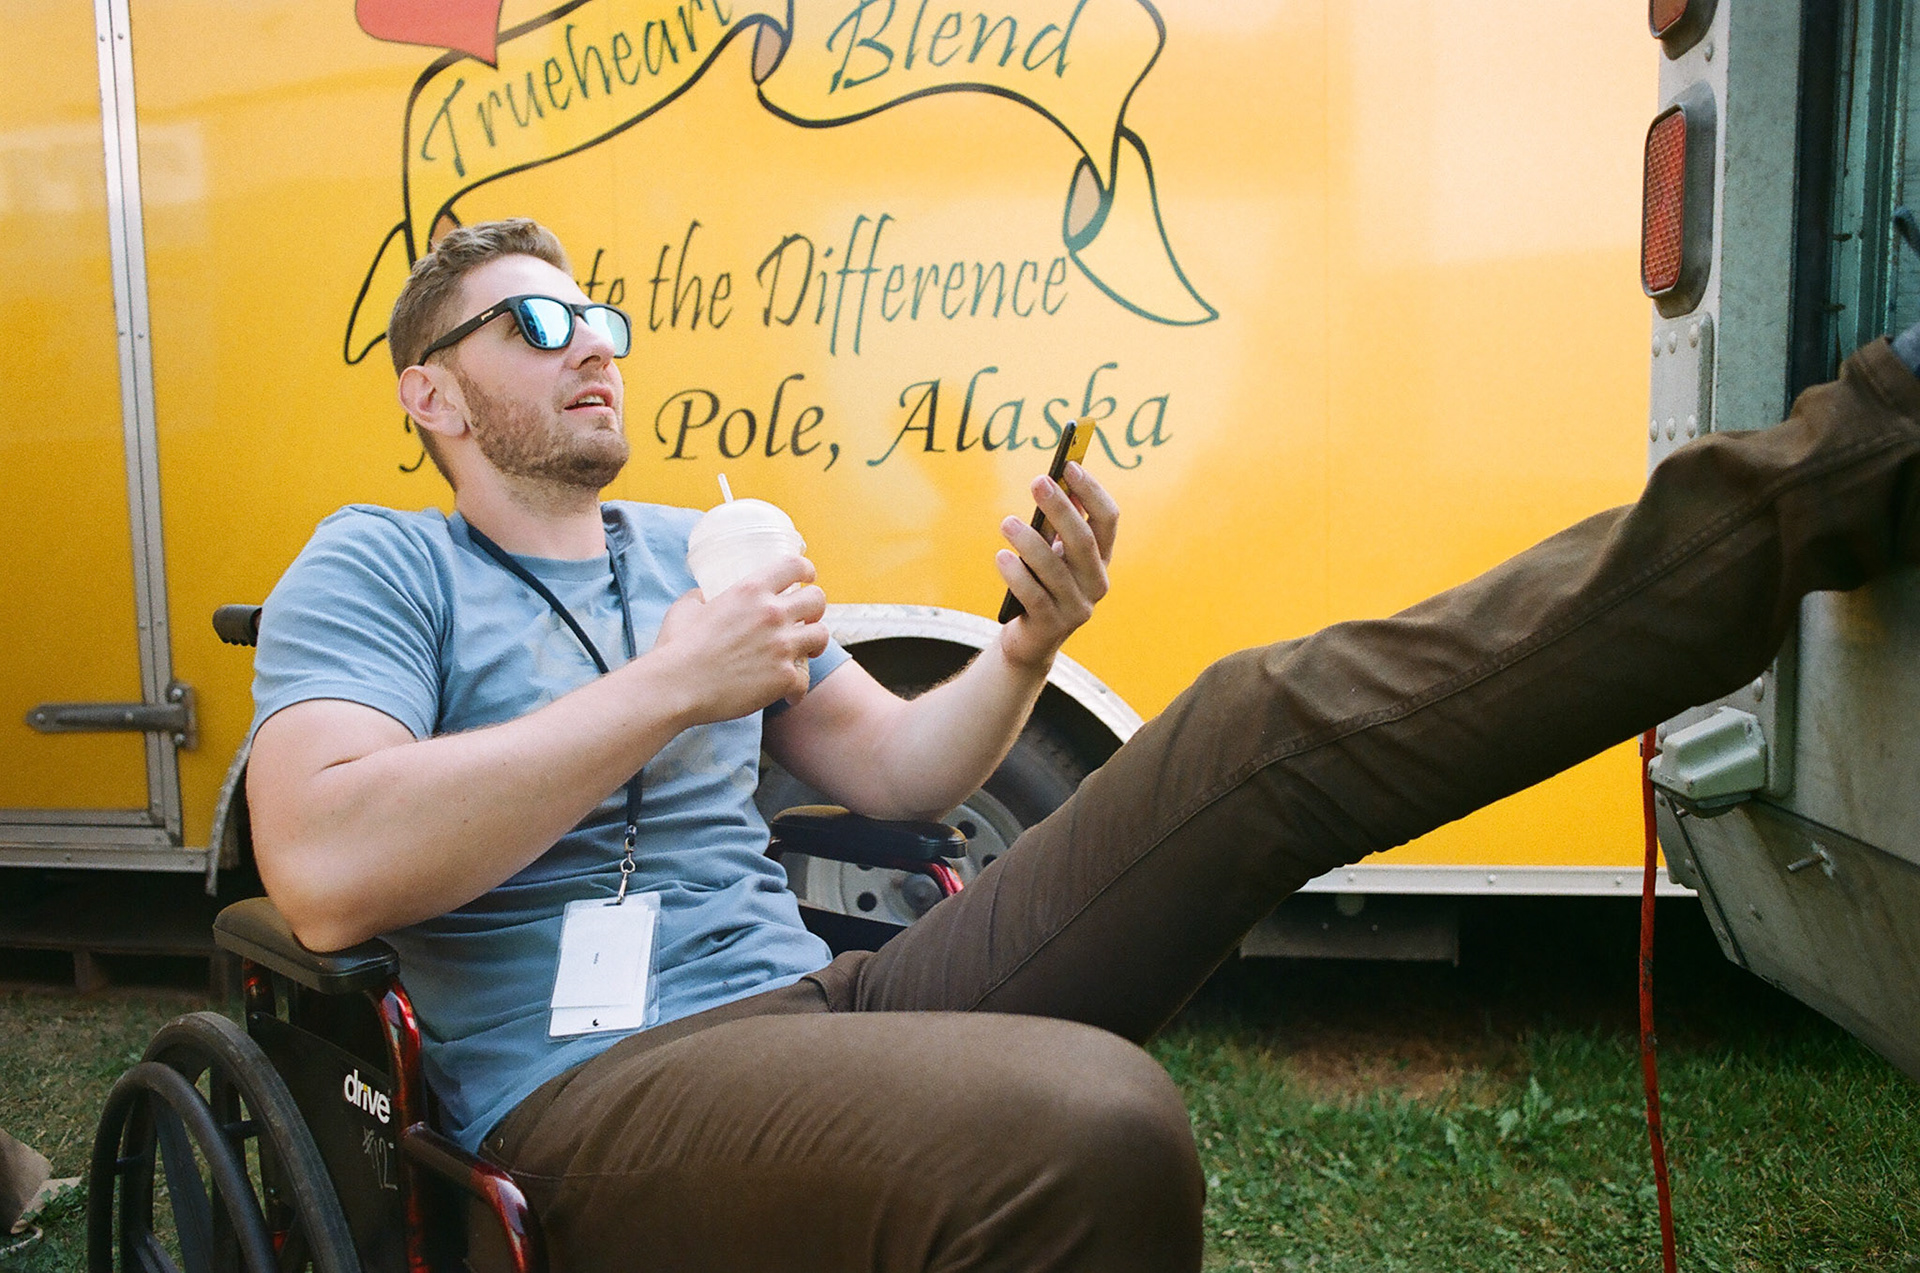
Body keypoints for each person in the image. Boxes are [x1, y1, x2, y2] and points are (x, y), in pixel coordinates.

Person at [247, 217, 1920, 1273]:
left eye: (600, 312)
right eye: (539, 325)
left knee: (1249, 721)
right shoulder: (380, 567)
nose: (596, 342)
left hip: (824, 1010)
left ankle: (1855, 458)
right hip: (586, 1091)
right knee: (1090, 1121)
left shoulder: (700, 548)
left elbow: (905, 771)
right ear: (432, 395)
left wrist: (1026, 643)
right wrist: (668, 688)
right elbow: (319, 867)